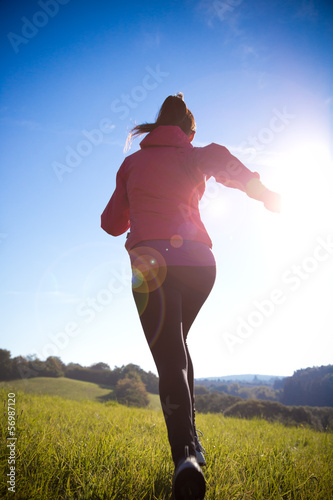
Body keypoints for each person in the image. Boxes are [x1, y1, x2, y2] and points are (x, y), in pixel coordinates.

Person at [101, 93, 280, 500]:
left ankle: (185, 457)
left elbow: (111, 224)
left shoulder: (132, 164)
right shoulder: (198, 154)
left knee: (169, 356)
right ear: (189, 132)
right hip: (200, 265)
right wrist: (264, 192)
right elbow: (227, 165)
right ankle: (193, 443)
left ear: (156, 127)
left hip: (151, 267)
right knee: (177, 348)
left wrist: (135, 200)